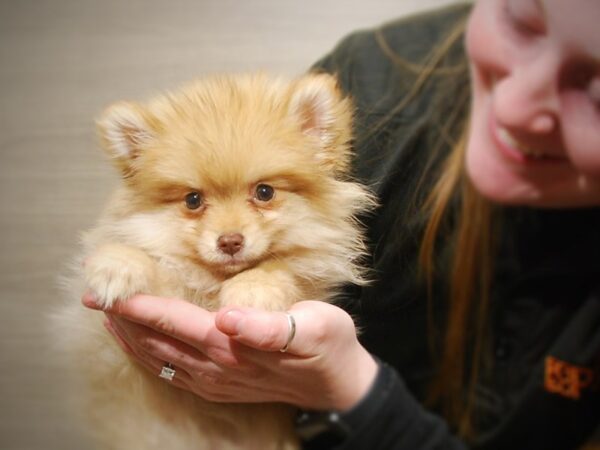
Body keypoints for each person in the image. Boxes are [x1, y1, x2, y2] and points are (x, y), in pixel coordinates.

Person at [82, 1, 600, 448]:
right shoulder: (378, 82)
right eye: (523, 19)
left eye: (596, 88)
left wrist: (346, 388)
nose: (515, 105)